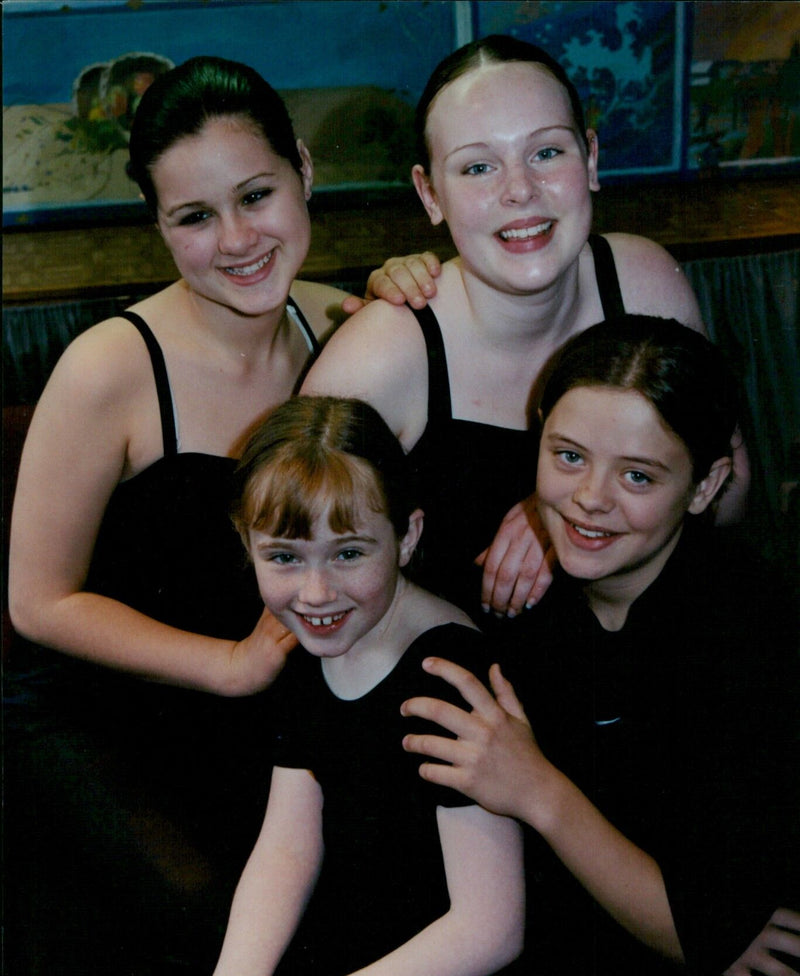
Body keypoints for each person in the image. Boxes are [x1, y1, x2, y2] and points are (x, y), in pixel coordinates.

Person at [3, 56, 410, 976]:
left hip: (268, 717)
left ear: (305, 175)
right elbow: (34, 602)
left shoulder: (351, 332)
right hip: (97, 715)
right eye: (192, 214)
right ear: (156, 225)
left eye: (255, 194)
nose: (234, 237)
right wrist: (228, 665)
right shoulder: (110, 366)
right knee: (211, 909)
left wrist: (422, 280)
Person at [400, 316, 799, 976]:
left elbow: (703, 932)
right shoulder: (532, 590)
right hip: (605, 967)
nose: (589, 497)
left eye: (640, 475)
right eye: (568, 456)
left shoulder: (745, 629)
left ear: (705, 485)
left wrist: (535, 787)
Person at [176, 396, 532, 976]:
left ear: (408, 535)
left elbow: (491, 927)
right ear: (247, 544)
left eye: (348, 553)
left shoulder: (447, 673)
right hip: (349, 961)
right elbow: (286, 846)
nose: (314, 592)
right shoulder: (310, 644)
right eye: (284, 557)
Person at [302, 35, 747, 621]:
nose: (519, 190)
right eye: (478, 166)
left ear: (591, 158)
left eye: (546, 153)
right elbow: (304, 581)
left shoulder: (643, 281)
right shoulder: (379, 356)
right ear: (429, 194)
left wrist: (567, 510)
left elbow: (730, 499)